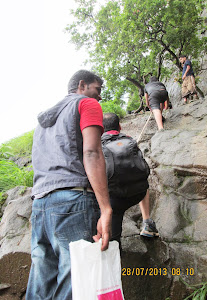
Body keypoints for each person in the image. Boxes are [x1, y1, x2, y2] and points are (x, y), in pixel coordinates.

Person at [26, 70, 112, 300]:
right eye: (98, 89)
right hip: (73, 202)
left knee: (41, 279)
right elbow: (92, 152)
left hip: (40, 205)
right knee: (77, 278)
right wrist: (106, 209)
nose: (99, 97)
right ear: (82, 85)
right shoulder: (86, 104)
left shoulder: (42, 124)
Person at [102, 113, 159, 248]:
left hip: (115, 201)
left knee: (114, 239)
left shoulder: (99, 142)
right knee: (143, 183)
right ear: (120, 126)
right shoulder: (129, 139)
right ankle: (147, 223)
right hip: (138, 193)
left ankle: (116, 251)